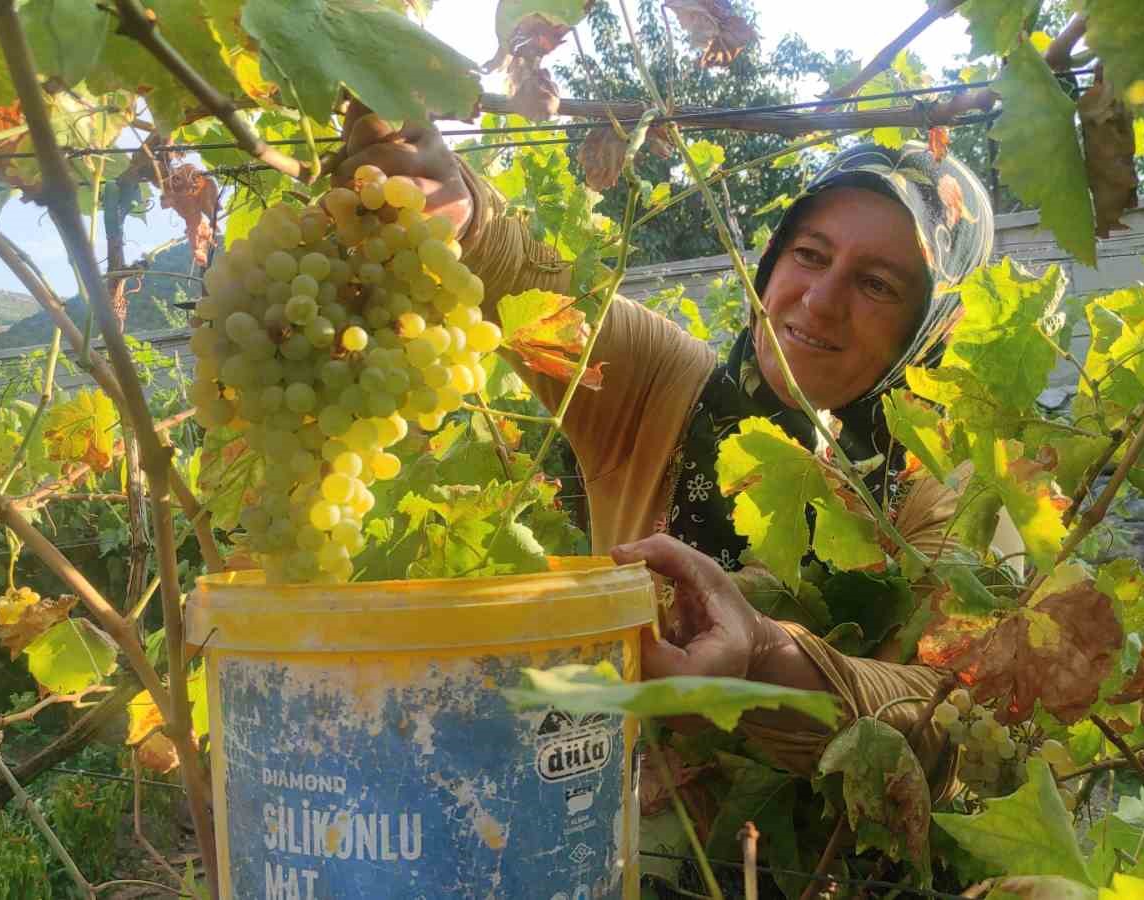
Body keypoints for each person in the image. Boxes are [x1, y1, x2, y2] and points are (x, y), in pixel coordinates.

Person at [330, 107, 1012, 787]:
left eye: (877, 285)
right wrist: (453, 204)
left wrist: (764, 656)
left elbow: (956, 721)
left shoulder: (958, 496)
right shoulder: (663, 386)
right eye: (810, 254)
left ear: (931, 326)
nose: (820, 300)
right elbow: (532, 281)